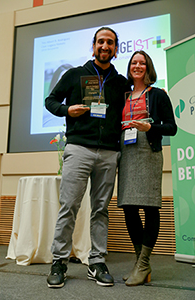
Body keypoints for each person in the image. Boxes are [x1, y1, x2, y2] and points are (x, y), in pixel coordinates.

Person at [45, 27, 129, 288]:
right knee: (68, 206)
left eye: (111, 43)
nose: (105, 46)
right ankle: (59, 260)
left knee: (101, 209)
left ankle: (96, 260)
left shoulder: (121, 83)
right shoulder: (74, 75)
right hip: (79, 148)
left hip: (108, 152)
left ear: (116, 49)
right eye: (101, 41)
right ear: (93, 46)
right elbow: (51, 101)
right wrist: (67, 110)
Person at [117, 50, 177, 286]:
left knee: (150, 206)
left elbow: (172, 128)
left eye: (142, 63)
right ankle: (140, 262)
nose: (138, 66)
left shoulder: (158, 95)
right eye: (134, 62)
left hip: (148, 152)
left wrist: (149, 128)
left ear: (148, 67)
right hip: (127, 153)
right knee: (128, 207)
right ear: (130, 67)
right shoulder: (124, 95)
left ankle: (143, 264)